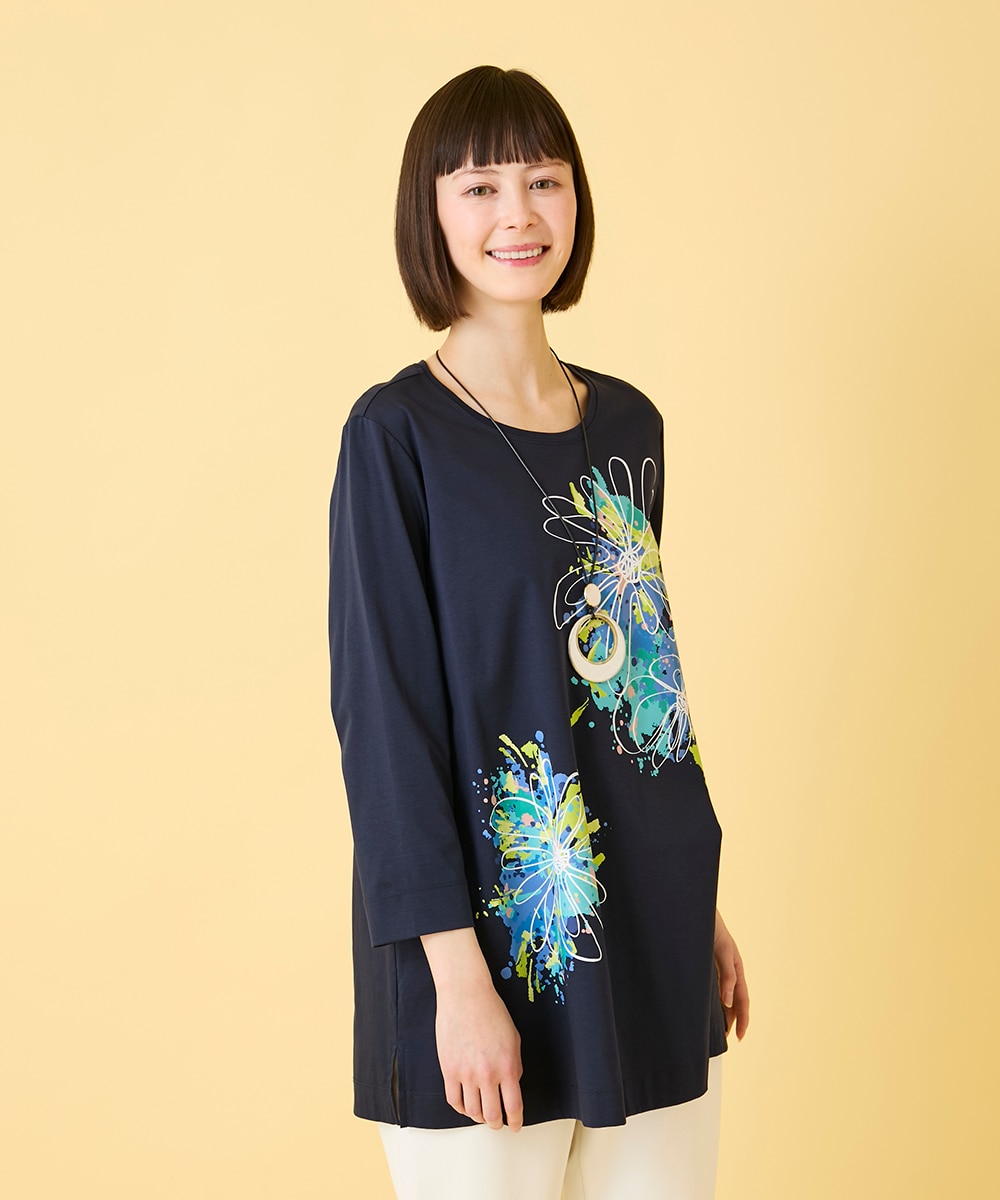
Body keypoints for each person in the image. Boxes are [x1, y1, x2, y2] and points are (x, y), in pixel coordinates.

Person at [327, 65, 749, 1200]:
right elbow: (384, 727)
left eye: (543, 180)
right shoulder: (394, 438)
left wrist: (699, 905)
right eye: (479, 187)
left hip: (652, 938)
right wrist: (457, 983)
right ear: (430, 213)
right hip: (486, 958)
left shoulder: (631, 425)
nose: (518, 214)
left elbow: (641, 695)